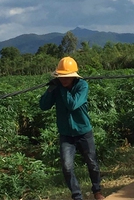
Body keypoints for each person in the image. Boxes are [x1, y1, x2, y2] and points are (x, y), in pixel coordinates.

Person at [39, 57, 105, 200]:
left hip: (83, 132)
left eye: (66, 76)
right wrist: (50, 89)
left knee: (92, 163)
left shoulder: (82, 86)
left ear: (73, 76)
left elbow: (73, 104)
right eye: (61, 76)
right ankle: (77, 196)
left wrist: (61, 89)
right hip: (66, 134)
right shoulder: (56, 88)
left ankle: (97, 191)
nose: (64, 79)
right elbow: (43, 106)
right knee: (67, 168)